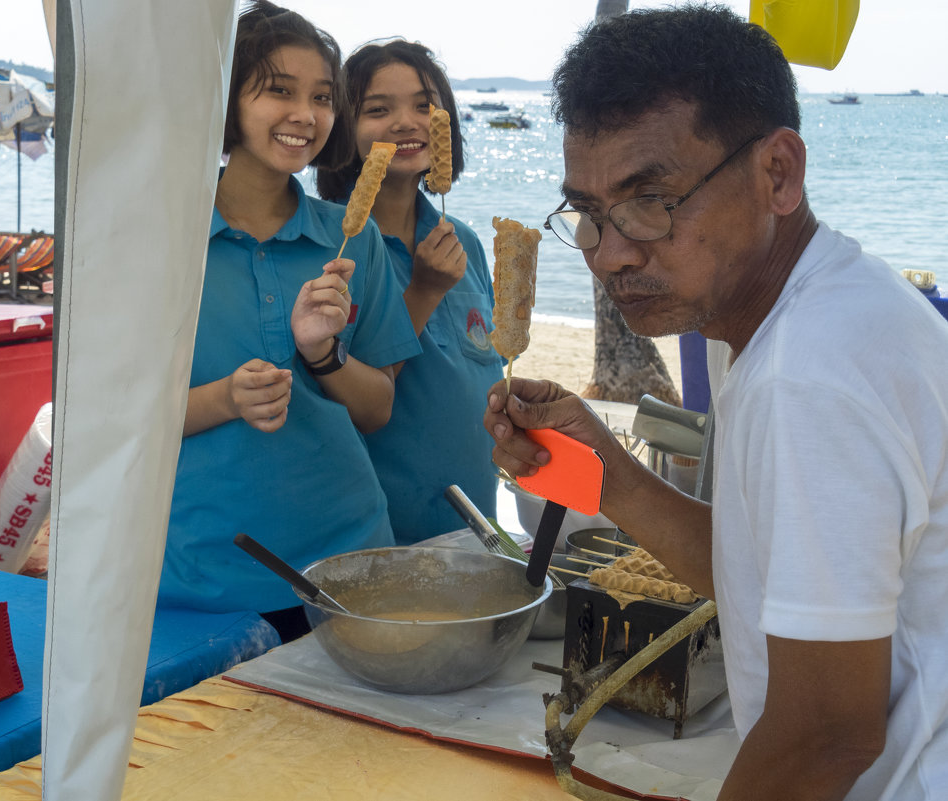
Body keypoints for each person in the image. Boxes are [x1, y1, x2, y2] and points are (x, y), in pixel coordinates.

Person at [485, 7, 948, 800]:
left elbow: (827, 732)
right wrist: (603, 470)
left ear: (777, 172)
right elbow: (752, 570)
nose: (611, 252)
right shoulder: (822, 306)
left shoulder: (807, 373)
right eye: (588, 215)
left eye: (651, 199)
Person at [159, 1, 420, 642]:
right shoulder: (162, 238)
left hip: (349, 561)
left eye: (324, 97)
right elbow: (111, 420)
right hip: (203, 576)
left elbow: (378, 409)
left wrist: (322, 353)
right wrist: (225, 397)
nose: (307, 115)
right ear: (227, 98)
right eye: (280, 91)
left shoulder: (352, 241)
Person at [317, 40, 503, 545]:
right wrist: (423, 291)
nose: (407, 122)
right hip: (383, 534)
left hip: (476, 522)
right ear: (339, 127)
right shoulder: (332, 247)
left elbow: (482, 361)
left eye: (425, 105)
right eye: (378, 110)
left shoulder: (461, 241)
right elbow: (357, 401)